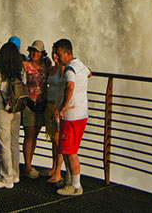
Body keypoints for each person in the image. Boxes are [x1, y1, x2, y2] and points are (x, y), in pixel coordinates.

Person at [53, 38, 91, 196]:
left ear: (68, 53)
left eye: (59, 53)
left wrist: (63, 107)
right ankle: (69, 181)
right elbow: (90, 73)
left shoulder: (69, 69)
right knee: (68, 149)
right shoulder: (80, 65)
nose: (57, 56)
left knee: (70, 152)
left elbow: (70, 87)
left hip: (72, 116)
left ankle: (76, 186)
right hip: (81, 113)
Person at [0, 41, 24, 189]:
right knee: (14, 142)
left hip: (2, 108)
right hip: (17, 108)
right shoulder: (20, 70)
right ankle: (15, 175)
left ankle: (6, 177)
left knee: (4, 143)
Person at [22, 40, 50, 179]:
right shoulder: (25, 65)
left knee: (35, 135)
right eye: (33, 50)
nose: (34, 53)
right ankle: (27, 166)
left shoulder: (47, 66)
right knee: (29, 134)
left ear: (42, 53)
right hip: (29, 103)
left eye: (37, 51)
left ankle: (30, 164)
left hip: (42, 104)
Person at [42, 47, 65, 183]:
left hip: (57, 107)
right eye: (54, 53)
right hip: (49, 106)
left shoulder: (63, 69)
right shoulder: (52, 69)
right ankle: (53, 167)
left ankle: (58, 172)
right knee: (53, 140)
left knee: (58, 141)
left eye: (57, 54)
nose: (55, 56)